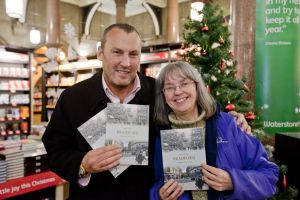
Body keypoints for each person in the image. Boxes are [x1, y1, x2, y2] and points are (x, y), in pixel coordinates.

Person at [42, 23, 251, 200]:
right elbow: (55, 151)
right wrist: (83, 164)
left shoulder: (159, 91)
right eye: (117, 52)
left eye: (133, 54)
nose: (126, 63)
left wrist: (225, 119)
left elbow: (191, 114)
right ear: (100, 53)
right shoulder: (73, 98)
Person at [149, 61, 279, 200]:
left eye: (184, 83)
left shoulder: (228, 125)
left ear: (197, 86)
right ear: (163, 95)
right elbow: (157, 182)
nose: (178, 91)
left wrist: (233, 181)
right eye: (169, 87)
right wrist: (159, 195)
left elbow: (269, 176)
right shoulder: (161, 135)